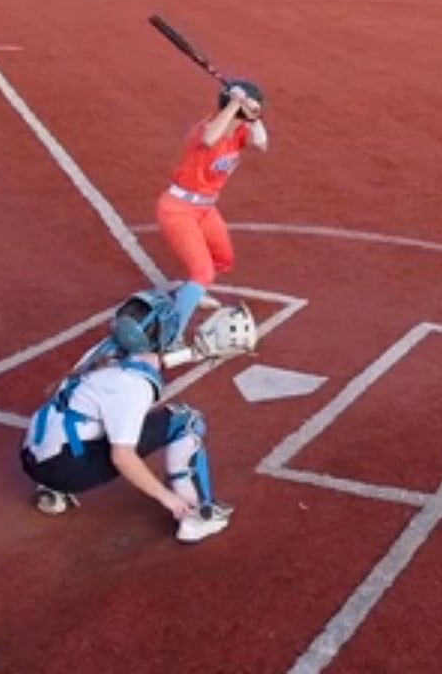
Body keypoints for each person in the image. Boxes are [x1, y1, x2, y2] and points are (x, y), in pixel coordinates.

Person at [21, 284, 256, 543]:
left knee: (93, 420)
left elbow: (150, 361)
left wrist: (195, 353)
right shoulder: (133, 386)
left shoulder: (107, 348)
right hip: (66, 468)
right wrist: (169, 499)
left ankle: (52, 491)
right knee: (187, 421)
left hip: (35, 454)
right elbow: (123, 457)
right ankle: (198, 514)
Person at [155, 82, 269, 306]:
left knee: (223, 259)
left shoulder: (240, 132)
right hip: (179, 209)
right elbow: (209, 139)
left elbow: (261, 144)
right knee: (203, 273)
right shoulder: (206, 129)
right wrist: (236, 103)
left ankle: (190, 293)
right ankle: (174, 324)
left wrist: (255, 117)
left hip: (205, 208)